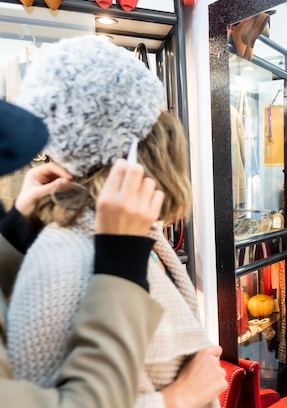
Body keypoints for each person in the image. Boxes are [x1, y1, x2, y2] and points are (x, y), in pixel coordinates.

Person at [6, 35, 225, 408]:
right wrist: (175, 399)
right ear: (143, 144)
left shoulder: (126, 235)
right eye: (161, 117)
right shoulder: (66, 261)